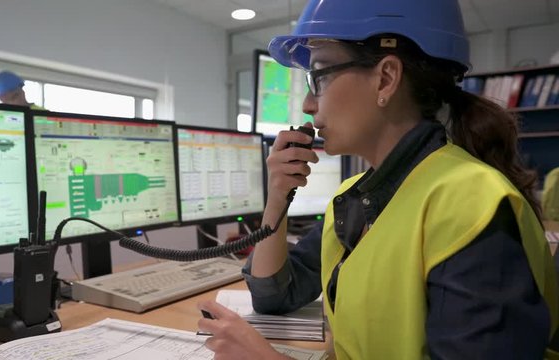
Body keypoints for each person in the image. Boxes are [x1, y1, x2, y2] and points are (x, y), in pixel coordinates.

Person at [197, 0, 558, 358]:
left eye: (318, 76)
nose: (308, 104)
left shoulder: (470, 204)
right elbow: (273, 296)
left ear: (385, 79)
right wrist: (277, 196)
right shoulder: (356, 198)